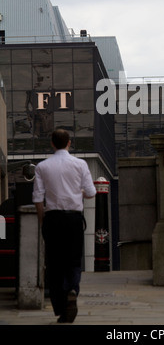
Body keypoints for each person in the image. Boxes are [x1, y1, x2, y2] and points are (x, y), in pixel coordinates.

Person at [32, 129, 96, 323]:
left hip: (52, 218)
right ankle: (72, 290)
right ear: (69, 143)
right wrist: (79, 193)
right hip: (74, 219)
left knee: (54, 262)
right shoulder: (80, 164)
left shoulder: (42, 167)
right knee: (74, 259)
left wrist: (42, 219)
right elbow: (92, 192)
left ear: (52, 143)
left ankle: (60, 304)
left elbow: (37, 197)